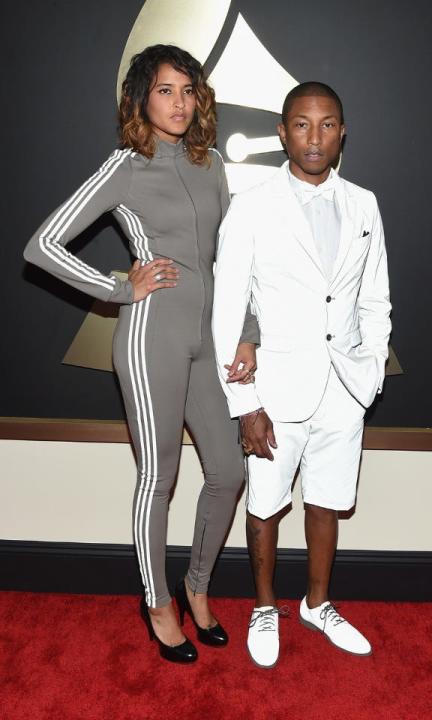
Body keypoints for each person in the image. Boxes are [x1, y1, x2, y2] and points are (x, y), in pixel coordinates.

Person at [23, 44, 259, 663]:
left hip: (209, 342)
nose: (178, 103)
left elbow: (231, 263)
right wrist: (118, 287)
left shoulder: (210, 165)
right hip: (151, 333)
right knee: (160, 476)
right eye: (164, 90)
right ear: (140, 98)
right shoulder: (126, 165)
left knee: (229, 473)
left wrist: (248, 330)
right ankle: (156, 602)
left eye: (187, 90)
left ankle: (196, 586)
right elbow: (42, 245)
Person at [211, 82, 391, 669]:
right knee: (265, 503)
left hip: (345, 385)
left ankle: (318, 603)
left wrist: (370, 375)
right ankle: (265, 606)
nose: (315, 137)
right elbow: (228, 306)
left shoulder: (364, 203)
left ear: (343, 132)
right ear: (284, 131)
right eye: (302, 124)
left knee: (328, 499)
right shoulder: (253, 204)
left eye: (328, 124)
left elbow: (375, 300)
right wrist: (245, 403)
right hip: (276, 388)